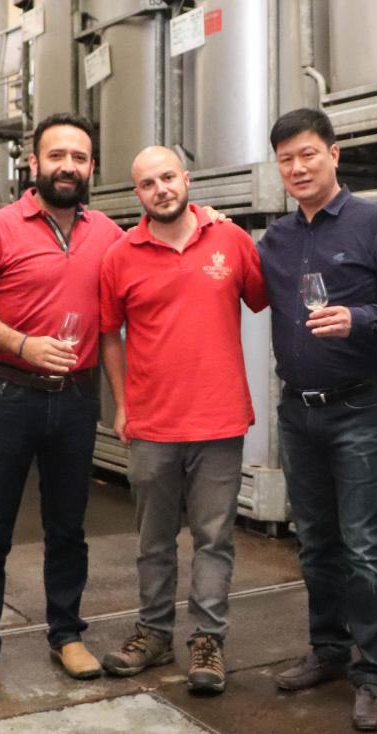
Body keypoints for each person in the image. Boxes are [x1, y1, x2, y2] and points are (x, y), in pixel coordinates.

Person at [256, 108, 377, 732]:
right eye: (286, 160)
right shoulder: (275, 239)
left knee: (364, 545)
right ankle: (328, 650)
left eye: (308, 154)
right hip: (297, 410)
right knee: (316, 541)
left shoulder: (375, 223)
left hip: (361, 407)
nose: (298, 168)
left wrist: (359, 319)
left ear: (334, 154)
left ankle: (374, 673)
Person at [0, 113, 122, 700]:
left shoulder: (109, 234)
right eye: (57, 156)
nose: (67, 166)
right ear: (34, 163)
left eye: (78, 157)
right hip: (9, 394)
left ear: (91, 167)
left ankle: (67, 634)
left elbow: (153, 255)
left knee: (68, 527)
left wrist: (207, 217)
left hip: (76, 399)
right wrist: (23, 344)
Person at [98, 146, 267, 695]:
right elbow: (109, 334)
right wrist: (122, 404)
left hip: (219, 419)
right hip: (152, 423)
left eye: (168, 177)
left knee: (214, 538)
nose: (161, 189)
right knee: (154, 540)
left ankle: (207, 640)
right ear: (138, 194)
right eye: (148, 183)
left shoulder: (230, 240)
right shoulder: (120, 255)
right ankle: (152, 633)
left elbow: (265, 298)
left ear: (187, 179)